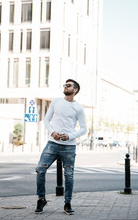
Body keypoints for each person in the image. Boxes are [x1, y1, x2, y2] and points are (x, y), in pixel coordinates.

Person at [35, 79, 87, 215]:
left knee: (69, 175)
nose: (65, 87)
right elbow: (46, 120)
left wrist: (69, 136)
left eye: (68, 85)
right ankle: (41, 199)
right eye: (65, 85)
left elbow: (83, 129)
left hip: (69, 147)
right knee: (40, 169)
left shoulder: (79, 108)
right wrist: (52, 132)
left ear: (75, 90)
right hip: (52, 143)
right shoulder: (56, 101)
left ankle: (67, 203)